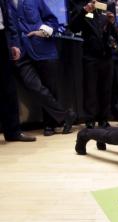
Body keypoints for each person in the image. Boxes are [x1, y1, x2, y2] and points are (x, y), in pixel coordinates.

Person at [8, 0, 77, 136]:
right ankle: (66, 115)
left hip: (43, 48)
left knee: (50, 87)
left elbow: (53, 21)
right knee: (34, 87)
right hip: (20, 53)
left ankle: (49, 125)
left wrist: (42, 31)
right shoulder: (5, 4)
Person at [69, 0, 118, 129]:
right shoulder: (82, 6)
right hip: (90, 55)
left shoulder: (107, 6)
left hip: (107, 55)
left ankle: (103, 118)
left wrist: (112, 23)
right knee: (90, 89)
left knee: (106, 89)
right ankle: (89, 119)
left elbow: (117, 36)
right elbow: (73, 27)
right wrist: (84, 11)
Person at [0, 0, 35, 142]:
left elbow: (9, 21)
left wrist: (14, 43)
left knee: (8, 88)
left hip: (1, 37)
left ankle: (13, 132)